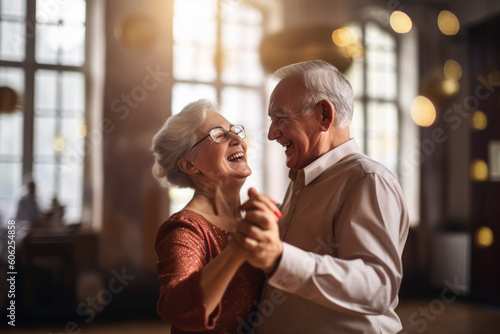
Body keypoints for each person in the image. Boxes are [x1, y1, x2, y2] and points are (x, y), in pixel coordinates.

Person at [234, 60, 410, 333]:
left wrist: (279, 257)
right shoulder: (303, 177)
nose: (271, 134)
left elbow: (378, 287)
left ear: (324, 116)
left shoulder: (368, 180)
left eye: (280, 118)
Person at [151, 99, 272, 333]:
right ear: (189, 164)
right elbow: (178, 310)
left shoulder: (254, 217)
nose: (238, 139)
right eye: (219, 135)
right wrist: (236, 249)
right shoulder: (184, 228)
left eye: (234, 131)